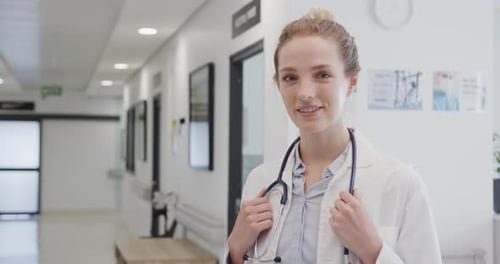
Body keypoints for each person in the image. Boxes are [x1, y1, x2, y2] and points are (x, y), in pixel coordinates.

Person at [226, 8, 442, 264]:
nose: (305, 92)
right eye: (290, 77)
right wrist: (236, 251)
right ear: (278, 84)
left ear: (351, 82)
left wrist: (373, 250)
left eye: (323, 75)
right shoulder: (261, 181)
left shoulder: (400, 184)